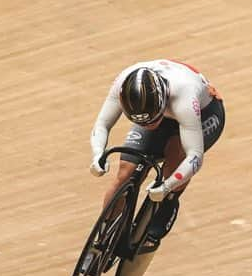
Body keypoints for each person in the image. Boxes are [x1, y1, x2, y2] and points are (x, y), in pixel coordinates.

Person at [88, 60, 225, 259]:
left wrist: (168, 186)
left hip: (203, 114)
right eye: (144, 122)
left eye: (153, 119)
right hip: (160, 108)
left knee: (176, 154)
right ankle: (102, 236)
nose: (150, 125)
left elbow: (195, 156)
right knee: (125, 171)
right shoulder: (122, 85)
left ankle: (168, 205)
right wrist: (98, 153)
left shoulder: (185, 96)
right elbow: (101, 124)